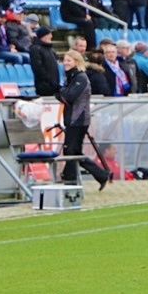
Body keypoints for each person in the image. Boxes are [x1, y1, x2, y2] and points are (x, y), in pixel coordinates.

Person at [55, 50, 110, 190]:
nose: (65, 63)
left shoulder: (80, 77)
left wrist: (61, 92)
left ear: (77, 62)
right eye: (65, 60)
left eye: (69, 60)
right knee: (74, 151)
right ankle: (99, 175)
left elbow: (69, 97)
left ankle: (71, 182)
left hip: (78, 119)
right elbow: (64, 95)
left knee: (71, 151)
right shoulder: (73, 77)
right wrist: (62, 93)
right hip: (75, 119)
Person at [28, 26, 60, 97]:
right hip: (44, 86)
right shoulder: (35, 49)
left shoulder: (50, 49)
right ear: (44, 36)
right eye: (49, 34)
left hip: (54, 84)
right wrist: (48, 80)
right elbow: (37, 68)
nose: (51, 36)